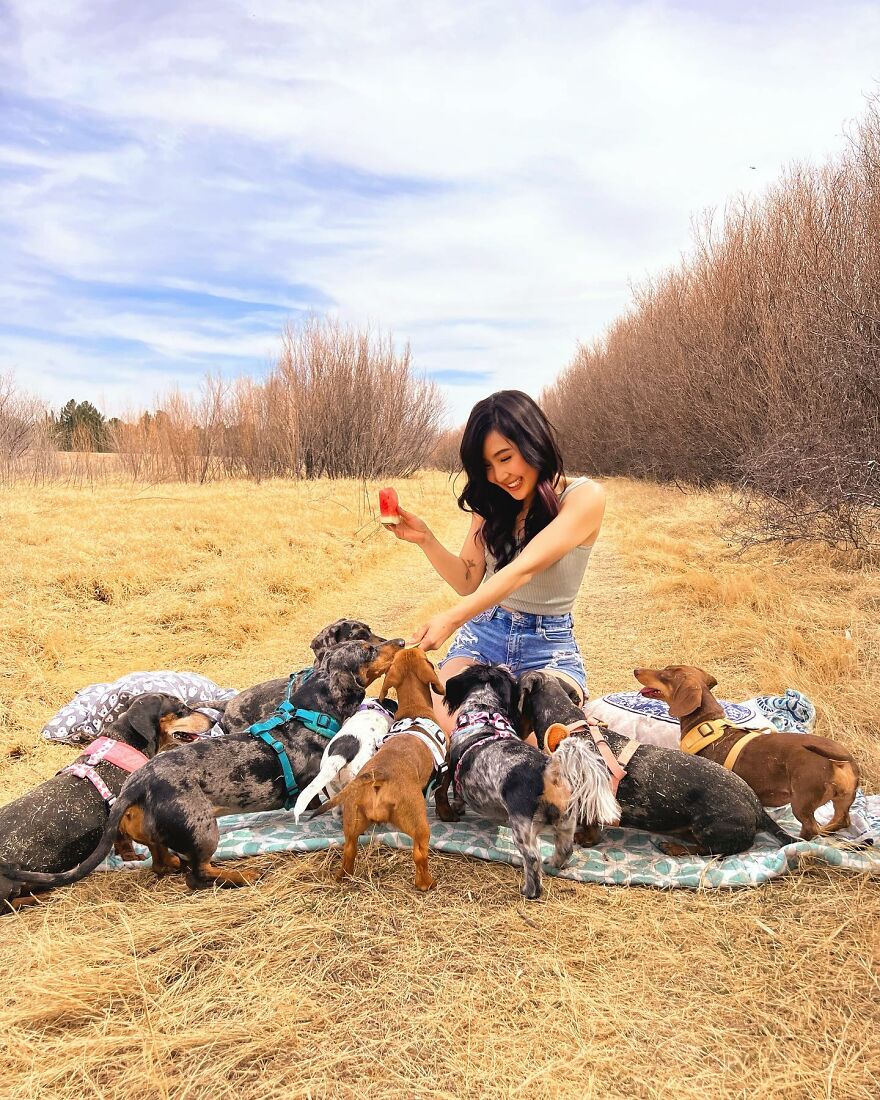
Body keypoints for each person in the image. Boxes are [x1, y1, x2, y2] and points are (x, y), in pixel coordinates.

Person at [386, 389, 605, 731]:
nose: (499, 476)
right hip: (484, 634)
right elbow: (467, 579)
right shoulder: (492, 502)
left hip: (547, 647)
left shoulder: (583, 496)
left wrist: (452, 618)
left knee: (542, 747)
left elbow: (524, 568)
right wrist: (426, 539)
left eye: (505, 458)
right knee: (454, 731)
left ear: (533, 441)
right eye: (487, 466)